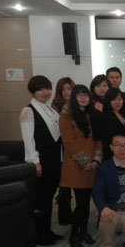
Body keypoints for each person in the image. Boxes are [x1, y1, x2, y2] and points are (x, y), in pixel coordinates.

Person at [19, 75, 62, 246]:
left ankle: (46, 230)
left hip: (53, 160)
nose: (45, 92)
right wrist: (34, 162)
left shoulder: (49, 109)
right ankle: (39, 234)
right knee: (41, 198)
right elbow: (28, 140)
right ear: (33, 91)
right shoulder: (28, 111)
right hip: (41, 161)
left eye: (47, 88)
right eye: (40, 89)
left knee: (48, 196)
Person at [59, 84, 102, 247]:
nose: (83, 98)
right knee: (82, 203)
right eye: (80, 95)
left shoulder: (92, 115)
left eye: (86, 95)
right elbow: (69, 143)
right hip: (76, 165)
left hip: (93, 166)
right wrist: (86, 162)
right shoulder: (66, 117)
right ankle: (74, 235)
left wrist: (96, 160)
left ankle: (83, 232)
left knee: (86, 203)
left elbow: (98, 139)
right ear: (73, 98)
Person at [51, 76, 75, 226]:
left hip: (74, 147)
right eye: (63, 89)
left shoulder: (77, 105)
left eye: (69, 89)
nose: (66, 92)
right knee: (64, 183)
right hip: (61, 148)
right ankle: (64, 216)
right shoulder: (54, 107)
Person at [100, 88, 125, 161]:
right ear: (108, 101)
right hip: (112, 154)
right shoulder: (105, 116)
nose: (117, 102)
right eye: (114, 100)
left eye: (119, 99)